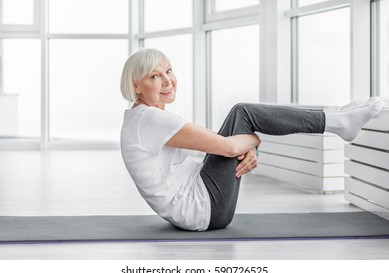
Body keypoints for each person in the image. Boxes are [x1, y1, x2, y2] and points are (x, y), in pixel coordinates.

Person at [120, 48, 384, 231]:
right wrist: (254, 139)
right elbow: (229, 145)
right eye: (155, 76)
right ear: (136, 85)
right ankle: (338, 121)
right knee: (243, 112)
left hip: (197, 207)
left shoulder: (144, 119)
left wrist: (247, 145)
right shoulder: (149, 120)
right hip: (203, 209)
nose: (168, 81)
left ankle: (339, 116)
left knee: (241, 118)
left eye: (169, 71)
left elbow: (214, 141)